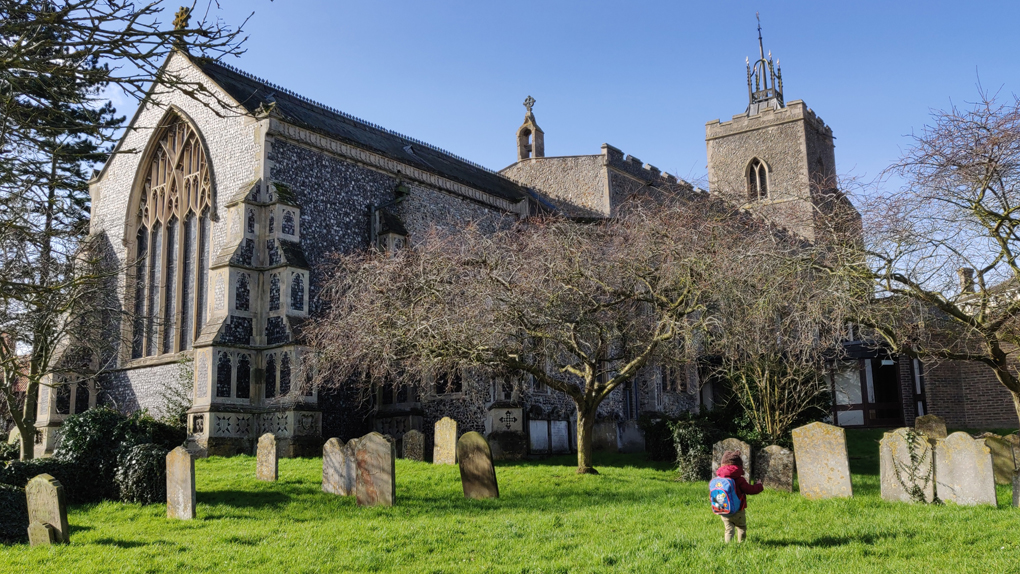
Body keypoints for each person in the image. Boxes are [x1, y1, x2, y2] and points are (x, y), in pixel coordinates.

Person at [715, 450, 763, 543]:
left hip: (723, 509)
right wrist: (759, 486)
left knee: (729, 529)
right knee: (741, 527)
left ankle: (728, 546)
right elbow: (750, 490)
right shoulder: (739, 479)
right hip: (738, 510)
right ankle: (742, 544)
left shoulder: (719, 478)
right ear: (738, 465)